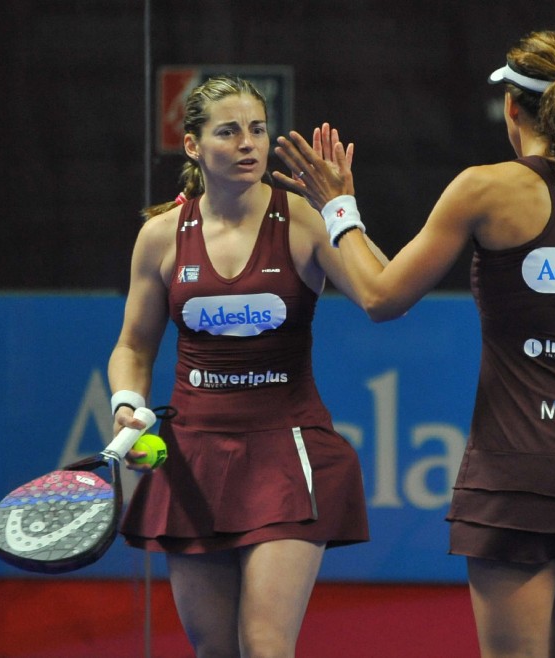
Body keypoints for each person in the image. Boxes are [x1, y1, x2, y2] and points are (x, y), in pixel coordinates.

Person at [274, 31, 555, 658]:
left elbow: (380, 297)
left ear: (513, 108)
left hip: (516, 481)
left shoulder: (482, 190)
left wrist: (338, 208)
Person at [108, 75, 384, 658]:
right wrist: (127, 403)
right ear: (192, 145)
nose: (247, 144)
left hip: (288, 453)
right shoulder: (160, 237)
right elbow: (133, 346)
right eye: (228, 131)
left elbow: (378, 292)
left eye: (257, 129)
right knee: (215, 650)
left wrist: (340, 208)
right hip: (192, 458)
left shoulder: (304, 221)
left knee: (263, 644)